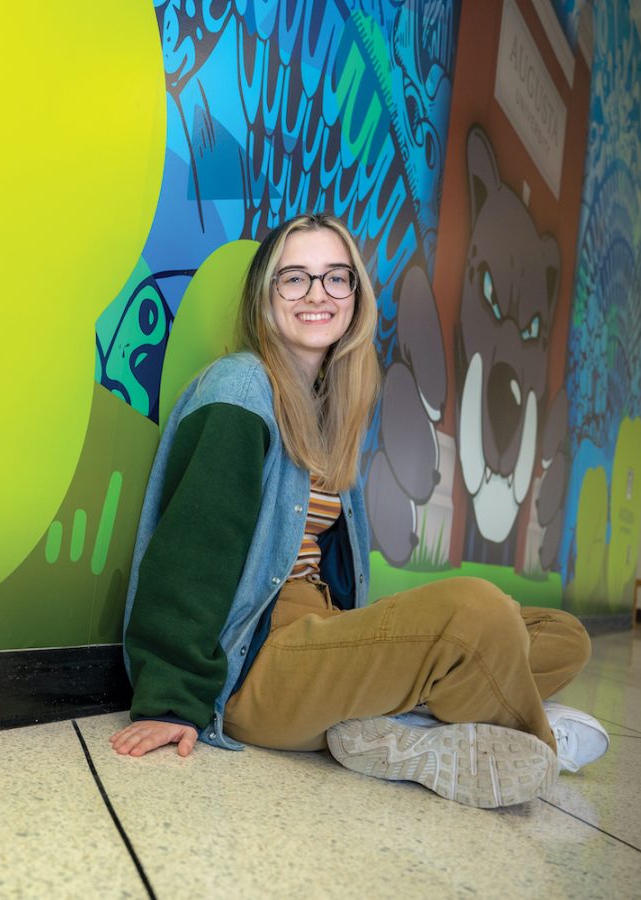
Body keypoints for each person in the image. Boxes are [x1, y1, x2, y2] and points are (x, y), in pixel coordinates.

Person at [110, 213, 608, 809]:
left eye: (334, 277)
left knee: (563, 636)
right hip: (255, 668)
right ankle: (533, 740)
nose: (317, 294)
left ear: (355, 295)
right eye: (293, 278)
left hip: (320, 630)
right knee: (475, 614)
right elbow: (193, 550)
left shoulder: (328, 408)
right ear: (264, 298)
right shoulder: (242, 387)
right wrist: (172, 701)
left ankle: (399, 730)